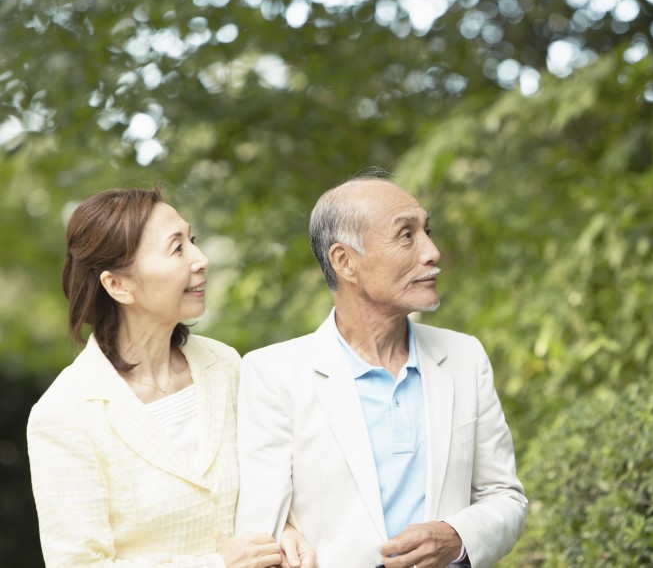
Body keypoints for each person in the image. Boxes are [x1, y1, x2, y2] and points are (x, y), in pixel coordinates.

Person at [235, 174, 527, 567]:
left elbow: (506, 498)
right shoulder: (273, 374)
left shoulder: (465, 357)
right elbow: (261, 529)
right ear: (345, 262)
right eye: (406, 235)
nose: (432, 252)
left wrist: (457, 537)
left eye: (427, 231)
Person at [27, 187, 316, 568]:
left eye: (192, 240)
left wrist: (284, 529)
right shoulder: (64, 414)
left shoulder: (226, 365)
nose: (202, 259)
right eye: (177, 248)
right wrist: (216, 564)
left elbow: (266, 485)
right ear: (118, 285)